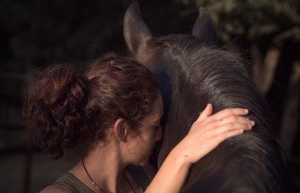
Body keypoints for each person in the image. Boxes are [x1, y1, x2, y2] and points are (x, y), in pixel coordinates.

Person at [24, 54, 254, 193]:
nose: (159, 135)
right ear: (122, 130)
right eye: (154, 125)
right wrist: (180, 157)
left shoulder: (145, 175)